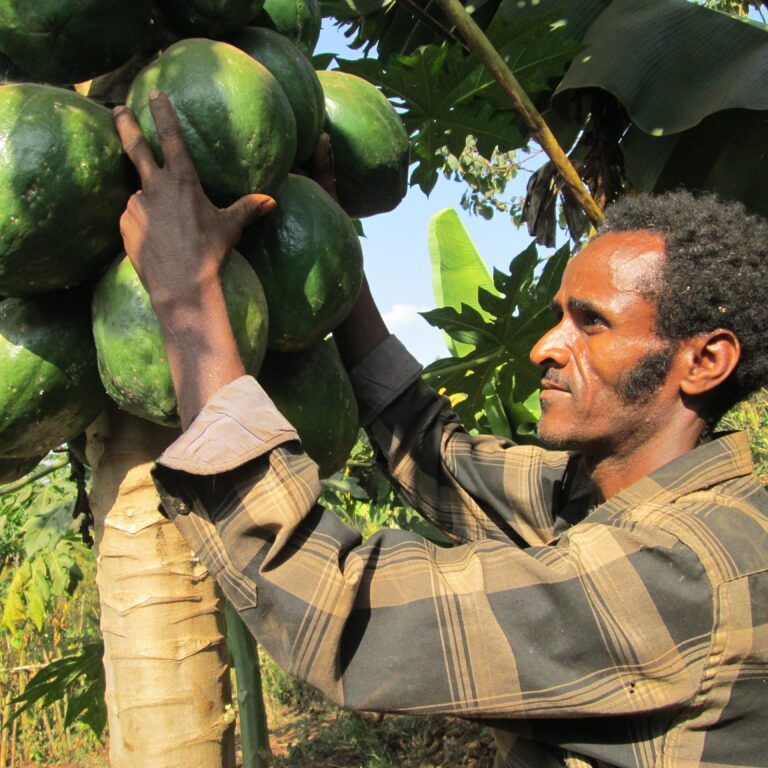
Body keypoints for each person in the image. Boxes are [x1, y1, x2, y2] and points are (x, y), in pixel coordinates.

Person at [112, 92, 768, 768]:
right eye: (559, 317)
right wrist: (330, 245)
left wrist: (186, 293)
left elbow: (338, 610)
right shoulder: (610, 495)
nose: (546, 346)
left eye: (591, 323)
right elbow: (434, 450)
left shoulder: (685, 573)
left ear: (704, 361)